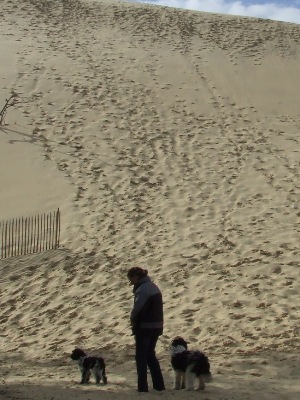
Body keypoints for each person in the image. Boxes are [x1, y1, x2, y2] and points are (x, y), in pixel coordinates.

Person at [127, 267, 165, 393]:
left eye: (130, 279)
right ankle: (159, 385)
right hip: (157, 326)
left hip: (145, 327)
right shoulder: (153, 286)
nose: (130, 282)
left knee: (141, 357)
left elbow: (138, 309)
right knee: (150, 355)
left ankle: (142, 387)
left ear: (136, 277)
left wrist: (133, 320)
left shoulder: (143, 289)